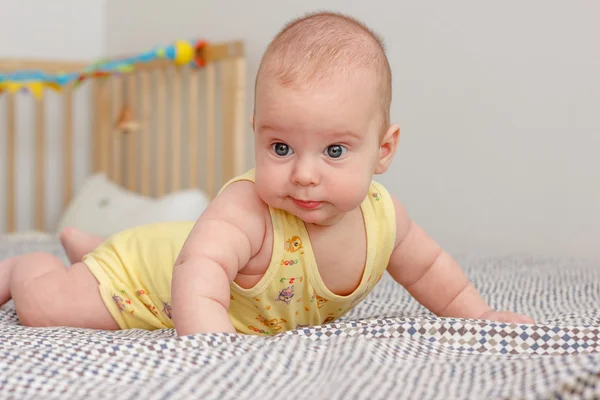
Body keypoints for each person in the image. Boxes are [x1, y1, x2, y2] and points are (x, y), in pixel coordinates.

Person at [0, 11, 534, 337]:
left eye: (334, 151)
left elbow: (429, 270)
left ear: (384, 150)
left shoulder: (385, 220)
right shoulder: (248, 207)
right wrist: (210, 350)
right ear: (256, 133)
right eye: (280, 146)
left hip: (168, 248)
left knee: (159, 245)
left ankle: (91, 246)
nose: (303, 174)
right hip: (146, 282)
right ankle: (25, 269)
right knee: (48, 307)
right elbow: (197, 269)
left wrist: (479, 314)